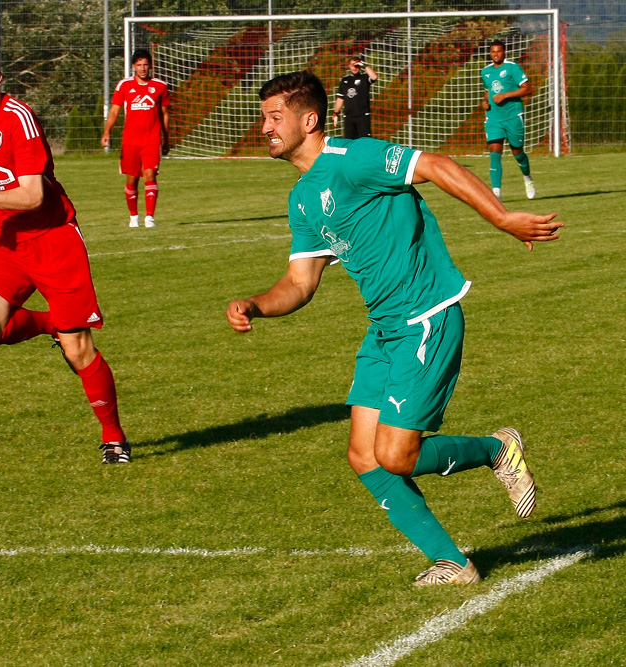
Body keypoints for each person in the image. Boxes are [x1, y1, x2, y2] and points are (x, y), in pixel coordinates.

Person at [226, 71, 563, 586]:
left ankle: (497, 449)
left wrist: (501, 218)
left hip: (426, 317)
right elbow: (300, 282)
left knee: (395, 455)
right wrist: (254, 303)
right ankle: (453, 563)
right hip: (384, 329)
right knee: (364, 456)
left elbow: (436, 164)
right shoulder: (302, 197)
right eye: (264, 117)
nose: (265, 127)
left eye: (276, 117)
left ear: (309, 120)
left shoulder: (353, 158)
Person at [0, 37, 130, 465]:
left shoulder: (19, 118)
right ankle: (53, 327)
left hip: (54, 241)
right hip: (7, 245)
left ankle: (114, 437)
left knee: (81, 351)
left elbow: (32, 196)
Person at [101, 48, 171, 228]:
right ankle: (134, 216)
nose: (143, 68)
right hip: (130, 140)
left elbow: (164, 114)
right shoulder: (124, 85)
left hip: (151, 139)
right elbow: (115, 110)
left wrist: (166, 138)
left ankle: (150, 217)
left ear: (150, 66)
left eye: (146, 65)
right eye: (139, 65)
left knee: (150, 175)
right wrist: (107, 131)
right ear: (133, 66)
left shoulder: (160, 86)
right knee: (132, 179)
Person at [481, 40, 536, 200]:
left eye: (499, 51)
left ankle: (527, 178)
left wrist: (505, 95)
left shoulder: (512, 68)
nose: (496, 54)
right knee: (494, 153)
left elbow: (528, 88)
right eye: (493, 52)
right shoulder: (485, 72)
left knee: (517, 152)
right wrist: (485, 102)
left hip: (513, 116)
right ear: (490, 53)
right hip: (494, 118)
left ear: (504, 52)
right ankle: (496, 193)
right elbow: (488, 91)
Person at [332, 55, 378, 139]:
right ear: (349, 66)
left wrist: (364, 65)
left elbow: (374, 77)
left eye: (357, 65)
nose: (355, 67)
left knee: (365, 142)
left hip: (363, 116)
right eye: (352, 65)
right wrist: (336, 113)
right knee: (349, 143)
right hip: (349, 117)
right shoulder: (345, 80)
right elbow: (340, 98)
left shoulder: (364, 78)